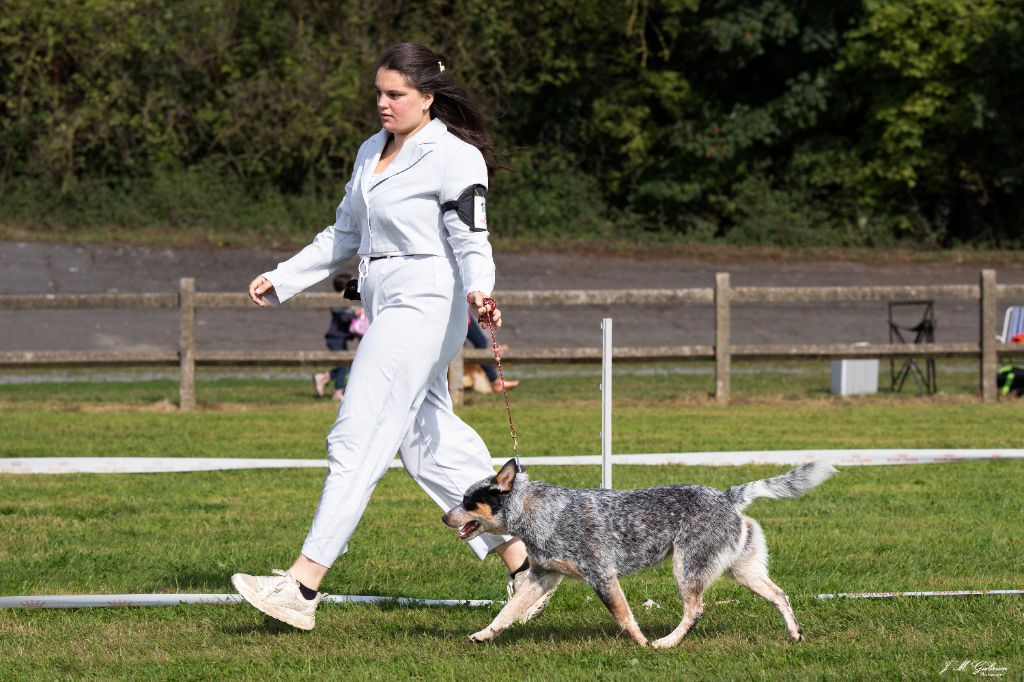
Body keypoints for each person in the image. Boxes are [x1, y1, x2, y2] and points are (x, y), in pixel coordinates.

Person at [231, 42, 544, 631]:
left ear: (428, 97)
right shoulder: (371, 150)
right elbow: (344, 232)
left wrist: (482, 290)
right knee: (429, 444)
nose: (383, 103)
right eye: (379, 92)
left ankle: (303, 583)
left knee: (358, 433)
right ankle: (526, 566)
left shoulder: (453, 157)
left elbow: (472, 237)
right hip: (388, 303)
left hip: (427, 304)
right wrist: (285, 276)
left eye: (395, 94)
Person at [312, 273, 367, 401]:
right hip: (334, 338)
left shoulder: (346, 300)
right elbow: (343, 317)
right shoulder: (338, 301)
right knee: (344, 364)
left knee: (346, 364)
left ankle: (323, 377)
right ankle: (337, 391)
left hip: (340, 338)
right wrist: (355, 313)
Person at [466, 314, 519, 392]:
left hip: (464, 315)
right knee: (480, 344)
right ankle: (495, 381)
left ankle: (495, 380)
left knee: (481, 343)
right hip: (459, 316)